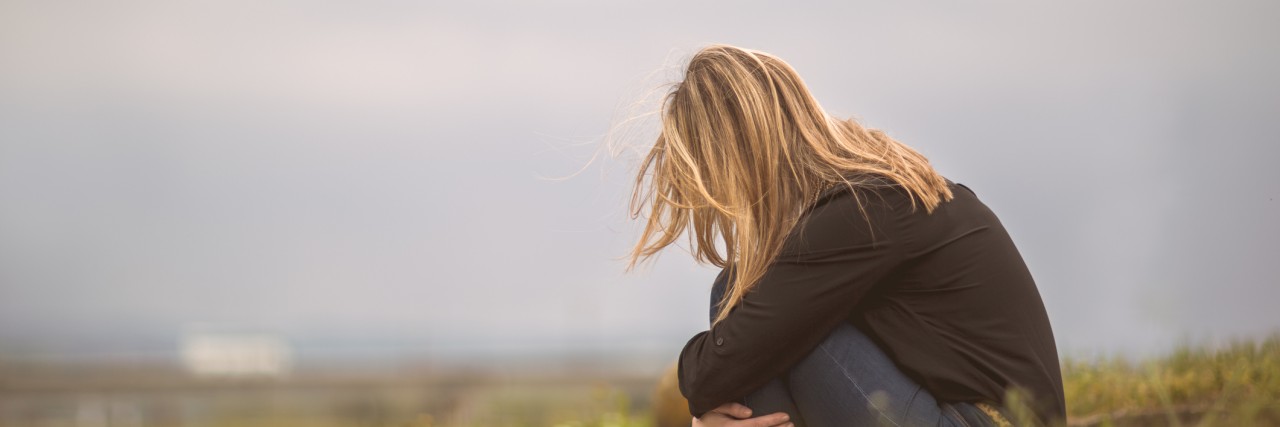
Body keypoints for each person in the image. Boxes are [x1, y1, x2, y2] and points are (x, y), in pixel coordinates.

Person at [623, 44, 1067, 427]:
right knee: (756, 305)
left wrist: (703, 412)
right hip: (963, 413)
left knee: (739, 293)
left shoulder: (861, 211)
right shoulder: (874, 191)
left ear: (740, 151)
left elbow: (713, 375)